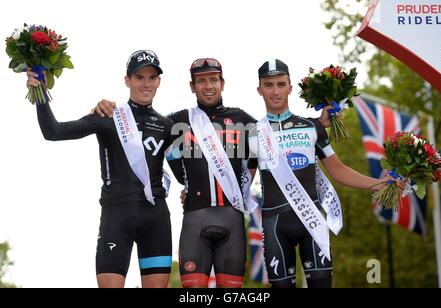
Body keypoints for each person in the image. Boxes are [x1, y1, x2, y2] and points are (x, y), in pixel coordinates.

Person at [93, 58, 333, 288]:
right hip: (194, 222)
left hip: (233, 222)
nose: (208, 86)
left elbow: (280, 133)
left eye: (213, 80)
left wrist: (318, 124)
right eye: (201, 81)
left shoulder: (243, 120)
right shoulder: (178, 122)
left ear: (222, 83)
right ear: (192, 86)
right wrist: (108, 109)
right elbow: (142, 130)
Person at [249, 59, 404, 288]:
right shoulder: (252, 134)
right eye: (269, 85)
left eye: (281, 84)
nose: (275, 91)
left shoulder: (312, 127)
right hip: (274, 225)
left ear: (290, 87)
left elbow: (337, 170)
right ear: (259, 89)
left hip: (312, 221)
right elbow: (241, 183)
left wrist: (381, 184)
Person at [26, 50, 173, 288]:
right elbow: (53, 132)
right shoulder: (108, 115)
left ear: (158, 81)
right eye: (139, 77)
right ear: (127, 80)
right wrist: (40, 91)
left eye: (152, 77)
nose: (146, 83)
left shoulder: (168, 126)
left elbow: (186, 168)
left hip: (155, 220)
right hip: (116, 217)